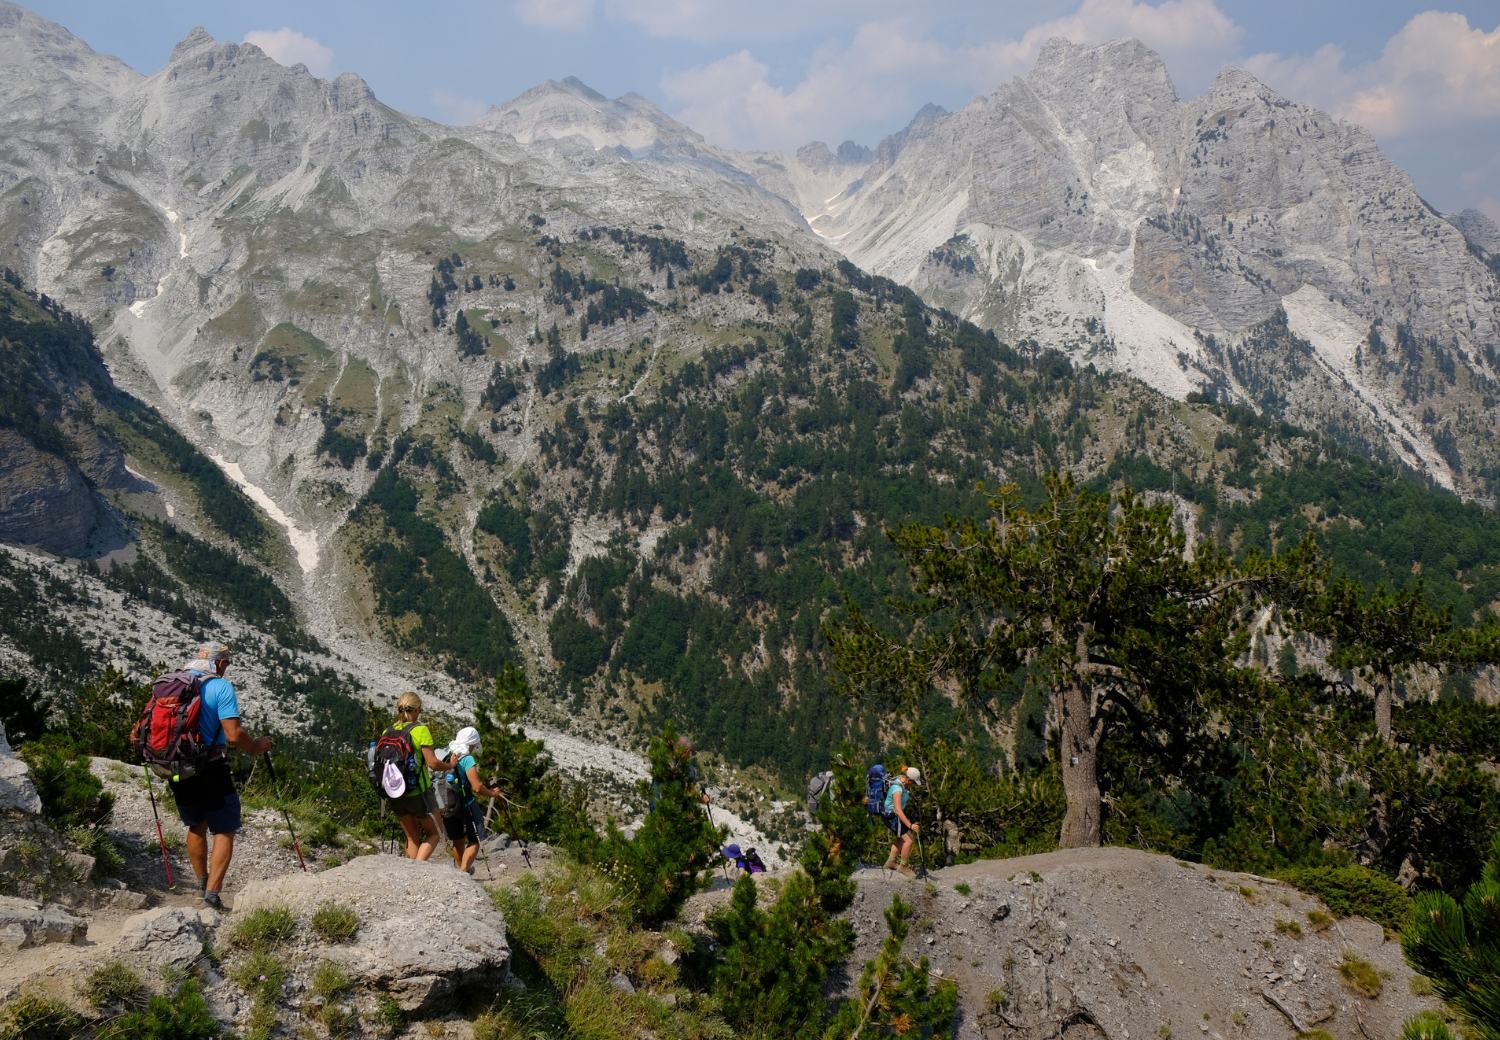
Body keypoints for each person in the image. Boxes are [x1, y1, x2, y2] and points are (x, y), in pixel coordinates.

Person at [167, 642, 272, 911]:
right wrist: (257, 747)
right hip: (211, 766)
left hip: (178, 766)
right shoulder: (220, 687)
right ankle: (212, 895)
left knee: (196, 825)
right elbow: (233, 735)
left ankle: (201, 885)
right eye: (227, 663)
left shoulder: (174, 682)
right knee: (224, 828)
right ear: (220, 663)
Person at [388, 692, 447, 861]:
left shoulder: (389, 730)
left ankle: (409, 875)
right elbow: (433, 763)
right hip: (417, 791)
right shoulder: (420, 730)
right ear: (416, 710)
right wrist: (449, 765)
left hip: (394, 792)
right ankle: (417, 873)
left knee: (412, 837)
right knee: (434, 833)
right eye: (420, 710)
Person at [443, 726, 503, 874]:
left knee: (457, 839)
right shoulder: (467, 758)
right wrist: (493, 794)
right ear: (472, 744)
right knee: (475, 840)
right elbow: (477, 787)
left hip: (446, 803)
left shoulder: (448, 753)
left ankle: (462, 871)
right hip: (466, 804)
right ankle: (464, 873)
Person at [881, 766, 922, 879]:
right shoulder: (897, 789)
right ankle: (903, 866)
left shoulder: (901, 781)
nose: (913, 785)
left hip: (893, 815)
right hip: (891, 816)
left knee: (902, 838)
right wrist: (910, 825)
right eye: (913, 783)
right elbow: (898, 810)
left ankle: (890, 862)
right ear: (909, 780)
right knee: (908, 841)